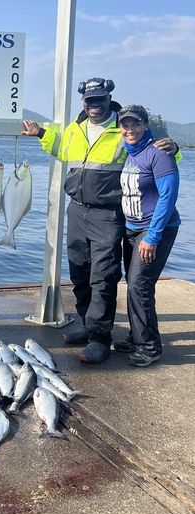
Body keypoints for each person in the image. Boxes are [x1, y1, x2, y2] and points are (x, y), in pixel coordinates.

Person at [22, 78, 178, 364]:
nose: (95, 105)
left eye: (100, 99)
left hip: (108, 214)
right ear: (84, 102)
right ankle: (85, 321)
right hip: (77, 210)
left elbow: (155, 151)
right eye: (90, 100)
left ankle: (99, 337)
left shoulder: (122, 127)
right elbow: (61, 149)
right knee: (79, 270)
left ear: (109, 99)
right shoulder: (75, 128)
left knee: (103, 275)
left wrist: (174, 146)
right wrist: (41, 133)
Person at [114, 105, 180, 367]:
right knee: (135, 284)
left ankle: (149, 347)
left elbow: (168, 196)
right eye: (125, 125)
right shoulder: (131, 153)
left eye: (135, 124)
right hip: (132, 229)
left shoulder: (159, 154)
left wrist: (152, 237)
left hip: (154, 230)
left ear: (145, 125)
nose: (130, 129)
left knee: (139, 285)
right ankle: (136, 335)